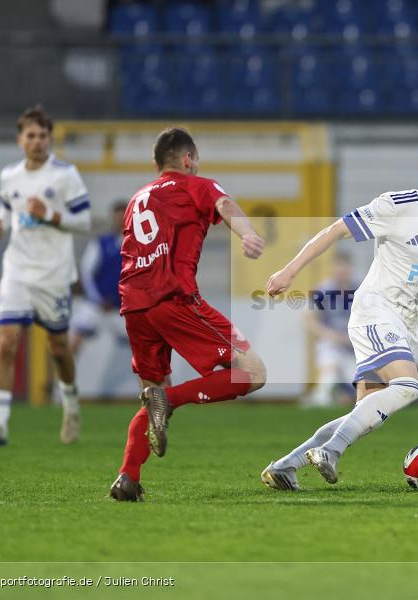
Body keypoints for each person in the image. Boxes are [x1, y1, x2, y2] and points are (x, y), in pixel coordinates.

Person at [261, 138, 418, 491]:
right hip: (375, 311)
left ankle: (285, 467)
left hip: (402, 323)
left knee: (363, 414)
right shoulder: (396, 206)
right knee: (409, 385)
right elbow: (336, 230)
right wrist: (289, 271)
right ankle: (331, 451)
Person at [108, 127, 267, 501]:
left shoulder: (136, 199)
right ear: (187, 159)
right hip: (174, 298)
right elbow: (226, 206)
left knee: (150, 392)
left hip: (134, 306)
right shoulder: (196, 185)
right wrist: (246, 233)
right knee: (253, 372)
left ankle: (127, 478)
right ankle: (172, 400)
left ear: (156, 163)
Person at [0, 106, 92, 446]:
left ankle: (71, 404)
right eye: (31, 135)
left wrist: (52, 214)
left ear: (49, 139)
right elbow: (8, 208)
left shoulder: (65, 175)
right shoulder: (9, 175)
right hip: (17, 271)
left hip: (54, 274)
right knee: (8, 341)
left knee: (58, 348)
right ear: (20, 140)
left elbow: (84, 221)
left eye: (43, 135)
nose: (37, 141)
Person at [70, 201, 127, 358]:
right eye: (117, 216)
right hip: (96, 304)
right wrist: (97, 298)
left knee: (141, 347)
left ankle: (149, 382)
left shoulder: (137, 244)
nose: (119, 220)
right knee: (76, 337)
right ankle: (63, 380)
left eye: (123, 216)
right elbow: (87, 272)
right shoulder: (101, 243)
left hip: (122, 307)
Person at [304, 251, 358, 407]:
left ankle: (341, 394)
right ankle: (322, 397)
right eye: (338, 268)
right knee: (330, 366)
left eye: (345, 268)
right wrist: (329, 335)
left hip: (354, 348)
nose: (341, 272)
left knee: (361, 388)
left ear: (350, 269)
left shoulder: (360, 289)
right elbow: (308, 319)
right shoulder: (323, 290)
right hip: (331, 343)